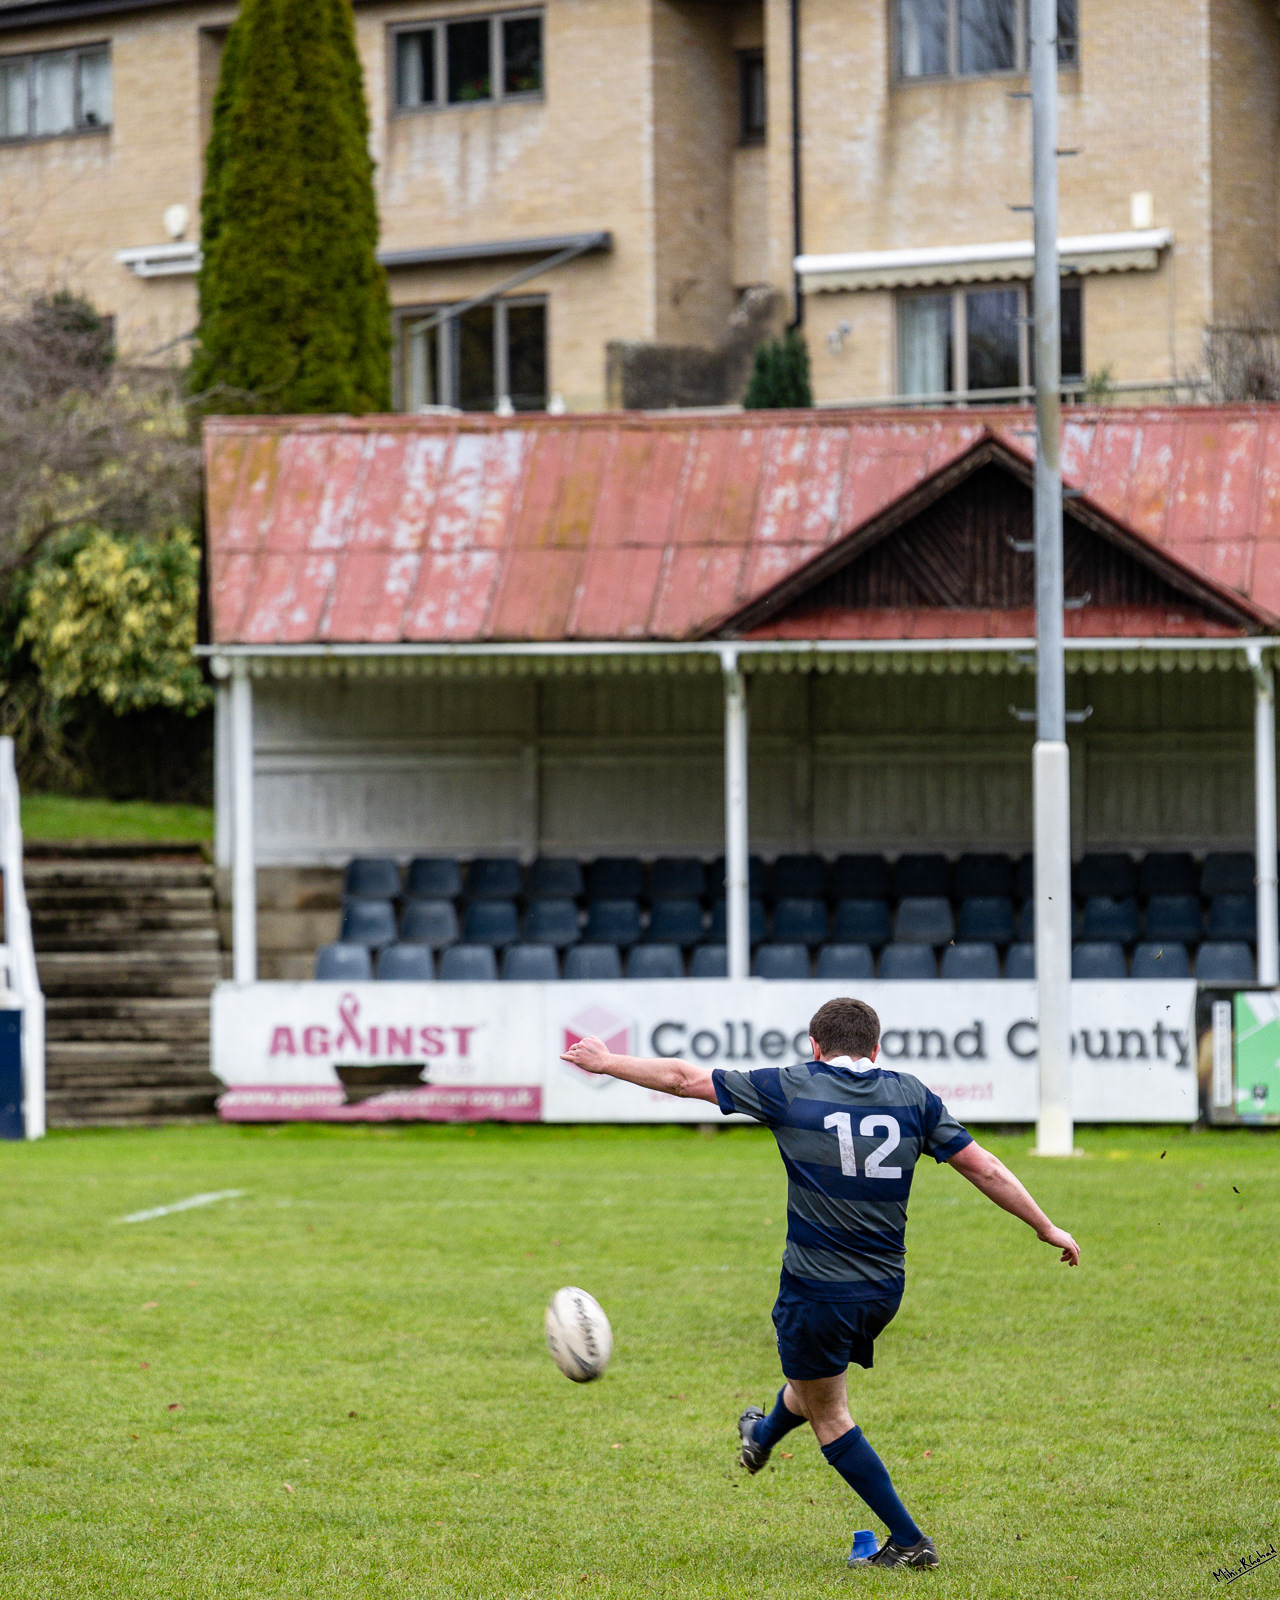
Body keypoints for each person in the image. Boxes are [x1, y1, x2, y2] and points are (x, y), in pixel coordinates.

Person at [560, 994, 1080, 1571]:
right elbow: (984, 1166)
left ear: (815, 1046)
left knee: (828, 1410)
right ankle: (760, 1436)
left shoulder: (793, 1086)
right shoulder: (913, 1096)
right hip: (884, 1288)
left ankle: (909, 1542)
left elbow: (684, 1079)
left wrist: (607, 1063)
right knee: (812, 1379)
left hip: (818, 1288)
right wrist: (1045, 1225)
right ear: (876, 1048)